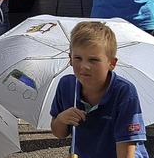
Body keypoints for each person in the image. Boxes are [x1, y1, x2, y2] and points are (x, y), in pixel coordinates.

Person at [50, 21, 148, 157]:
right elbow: (59, 133)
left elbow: (126, 150)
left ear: (112, 63)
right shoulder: (66, 85)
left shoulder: (124, 92)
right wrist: (62, 119)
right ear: (70, 59)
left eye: (93, 60)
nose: (84, 66)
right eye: (78, 58)